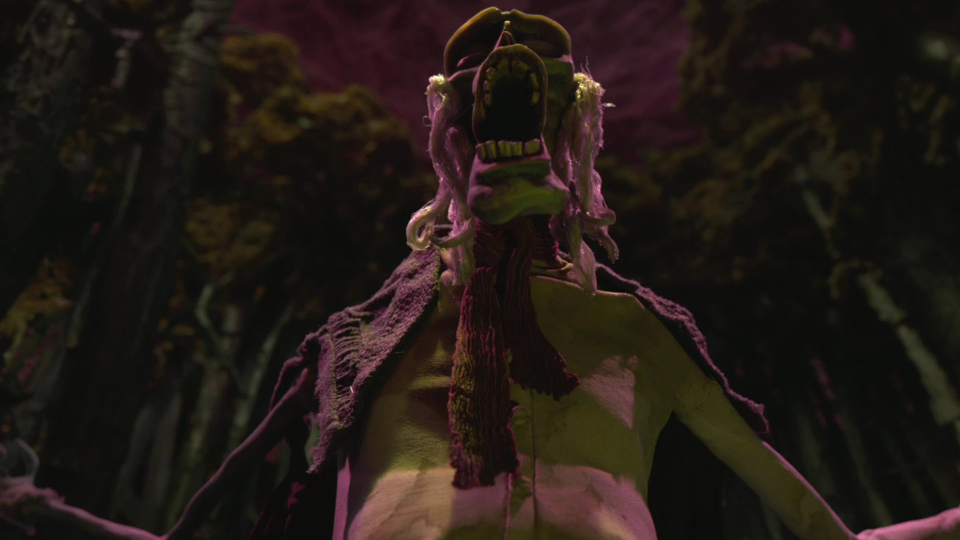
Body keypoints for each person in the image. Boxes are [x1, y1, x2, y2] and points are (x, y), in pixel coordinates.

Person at [3, 7, 959, 540]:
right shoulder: (359, 352)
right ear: (449, 141)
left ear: (576, 134)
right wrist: (39, 515)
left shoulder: (637, 337)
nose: (508, 77)